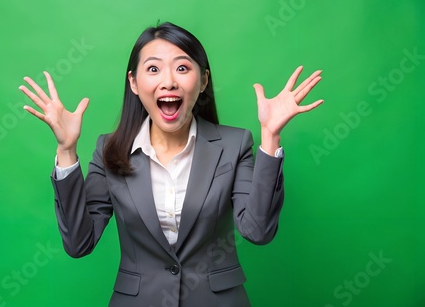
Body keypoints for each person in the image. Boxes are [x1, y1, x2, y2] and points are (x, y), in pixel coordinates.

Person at [19, 22, 323, 307]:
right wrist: (67, 149)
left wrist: (270, 136)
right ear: (134, 82)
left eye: (182, 67)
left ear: (203, 80)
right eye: (153, 69)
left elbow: (257, 231)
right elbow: (78, 243)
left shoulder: (234, 145)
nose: (168, 82)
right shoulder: (110, 150)